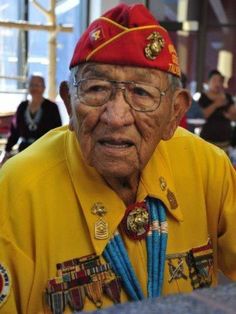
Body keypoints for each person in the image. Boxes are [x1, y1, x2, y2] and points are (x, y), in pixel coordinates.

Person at [0, 3, 236, 314]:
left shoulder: (208, 167)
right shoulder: (17, 192)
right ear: (70, 105)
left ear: (174, 113)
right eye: (96, 88)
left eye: (141, 93)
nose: (116, 116)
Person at [1, 74, 62, 163]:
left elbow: (57, 132)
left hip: (44, 152)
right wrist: (6, 150)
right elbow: (14, 131)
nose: (34, 88)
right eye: (31, 85)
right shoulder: (22, 106)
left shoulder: (52, 107)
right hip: (24, 151)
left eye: (37, 85)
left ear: (44, 88)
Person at [198, 69, 236, 152]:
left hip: (225, 141)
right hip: (208, 141)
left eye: (220, 80)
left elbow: (234, 116)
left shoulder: (227, 97)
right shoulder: (203, 97)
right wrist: (216, 104)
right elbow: (203, 115)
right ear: (208, 82)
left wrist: (230, 115)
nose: (217, 83)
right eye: (214, 80)